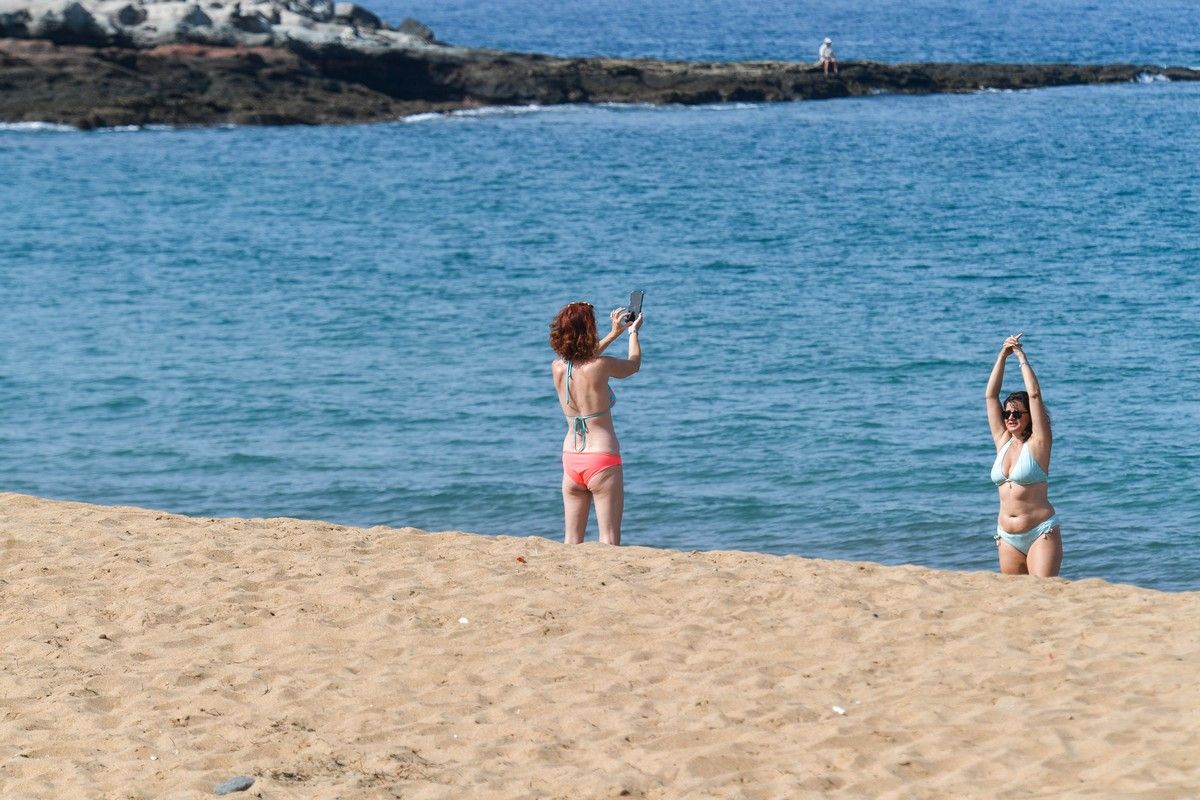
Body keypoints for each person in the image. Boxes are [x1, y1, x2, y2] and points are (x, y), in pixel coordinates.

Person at [548, 302, 644, 545]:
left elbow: (581, 360)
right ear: (589, 331)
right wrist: (633, 332)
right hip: (601, 458)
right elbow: (633, 365)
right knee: (609, 538)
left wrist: (614, 333)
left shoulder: (558, 368)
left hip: (571, 458)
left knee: (570, 540)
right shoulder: (601, 366)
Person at [984, 333, 1062, 576]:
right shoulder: (1003, 441)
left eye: (1017, 413)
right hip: (1006, 537)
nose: (1010, 417)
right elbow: (990, 396)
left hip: (1040, 532)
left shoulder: (1039, 443)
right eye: (1007, 413)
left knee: (1043, 596)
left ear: (1029, 416)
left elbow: (1035, 395)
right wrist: (1002, 356)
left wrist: (1020, 357)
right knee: (1016, 602)